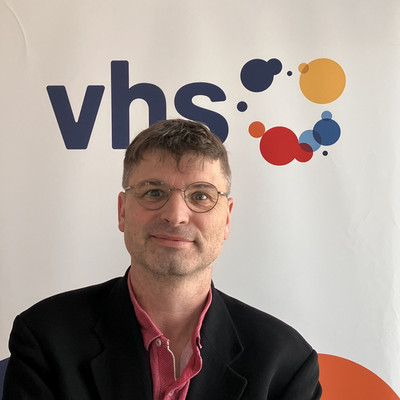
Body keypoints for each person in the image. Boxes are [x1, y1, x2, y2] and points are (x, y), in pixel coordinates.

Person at [4, 119, 322, 399]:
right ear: (122, 211)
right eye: (154, 192)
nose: (175, 215)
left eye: (201, 195)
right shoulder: (46, 336)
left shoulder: (285, 362)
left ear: (227, 219)